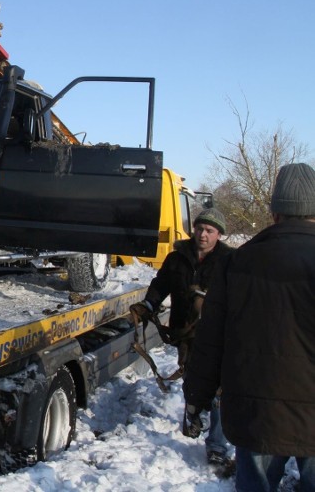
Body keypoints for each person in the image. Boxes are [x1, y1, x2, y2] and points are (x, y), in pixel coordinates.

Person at [184, 163, 315, 492]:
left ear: (274, 213)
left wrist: (196, 398)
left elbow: (210, 340)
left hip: (257, 415)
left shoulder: (236, 262)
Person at [131, 207, 235, 466]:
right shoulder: (177, 258)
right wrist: (149, 306)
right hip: (185, 333)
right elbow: (160, 285)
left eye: (210, 231)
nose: (203, 234)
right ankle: (194, 416)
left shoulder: (230, 261)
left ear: (219, 235)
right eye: (200, 228)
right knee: (193, 382)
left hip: (219, 334)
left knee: (220, 389)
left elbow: (239, 295)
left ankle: (217, 446)